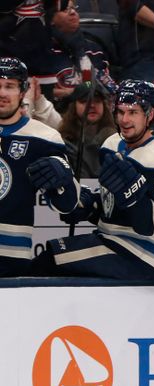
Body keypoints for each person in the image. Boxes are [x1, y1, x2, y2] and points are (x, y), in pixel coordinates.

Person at [32, 80, 154, 281]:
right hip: (111, 241)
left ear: (149, 115)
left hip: (149, 255)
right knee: (49, 258)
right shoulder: (112, 144)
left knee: (50, 258)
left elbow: (153, 226)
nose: (124, 119)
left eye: (133, 112)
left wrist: (133, 194)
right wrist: (84, 201)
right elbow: (110, 206)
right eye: (120, 112)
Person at [0, 57, 79, 276]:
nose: (2, 93)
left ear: (23, 90)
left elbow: (68, 205)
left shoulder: (44, 137)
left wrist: (62, 181)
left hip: (12, 257)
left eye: (9, 86)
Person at [57, 82, 117, 181]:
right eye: (84, 101)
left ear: (104, 105)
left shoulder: (116, 139)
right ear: (73, 106)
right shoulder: (64, 141)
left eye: (97, 101)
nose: (92, 105)